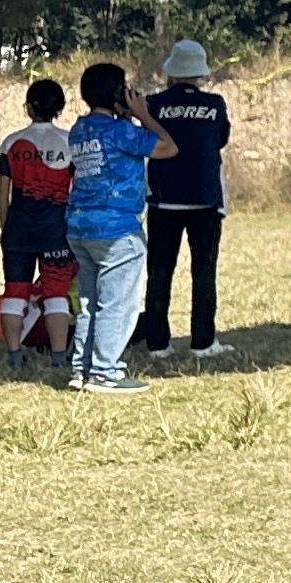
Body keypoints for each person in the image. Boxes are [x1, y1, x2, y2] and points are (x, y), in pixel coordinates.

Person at [63, 61, 174, 395]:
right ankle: (105, 372)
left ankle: (81, 369)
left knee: (89, 301)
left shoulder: (79, 130)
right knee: (117, 303)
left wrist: (125, 114)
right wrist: (143, 114)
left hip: (79, 224)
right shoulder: (121, 131)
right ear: (116, 94)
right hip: (116, 226)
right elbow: (168, 147)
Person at [138, 39, 235, 356]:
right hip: (204, 197)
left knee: (159, 270)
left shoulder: (151, 104)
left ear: (172, 71)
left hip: (163, 198)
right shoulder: (215, 104)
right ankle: (203, 341)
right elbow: (220, 140)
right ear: (200, 73)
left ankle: (157, 343)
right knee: (204, 271)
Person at [0, 78, 76, 374]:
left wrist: (6, 228)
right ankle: (59, 357)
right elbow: (75, 190)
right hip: (57, 231)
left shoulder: (11, 143)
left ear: (28, 108)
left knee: (14, 292)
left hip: (18, 230)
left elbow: (3, 193)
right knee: (55, 294)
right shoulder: (70, 142)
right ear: (60, 108)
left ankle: (14, 356)